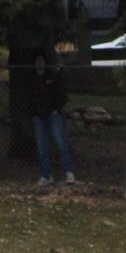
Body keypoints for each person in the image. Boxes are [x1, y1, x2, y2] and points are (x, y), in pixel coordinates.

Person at [31, 53, 75, 187]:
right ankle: (46, 175)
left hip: (53, 113)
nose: (39, 63)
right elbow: (27, 98)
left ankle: (69, 172)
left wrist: (56, 108)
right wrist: (33, 112)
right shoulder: (31, 79)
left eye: (41, 60)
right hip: (38, 115)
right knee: (41, 146)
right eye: (37, 61)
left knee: (60, 141)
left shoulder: (53, 77)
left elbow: (62, 95)